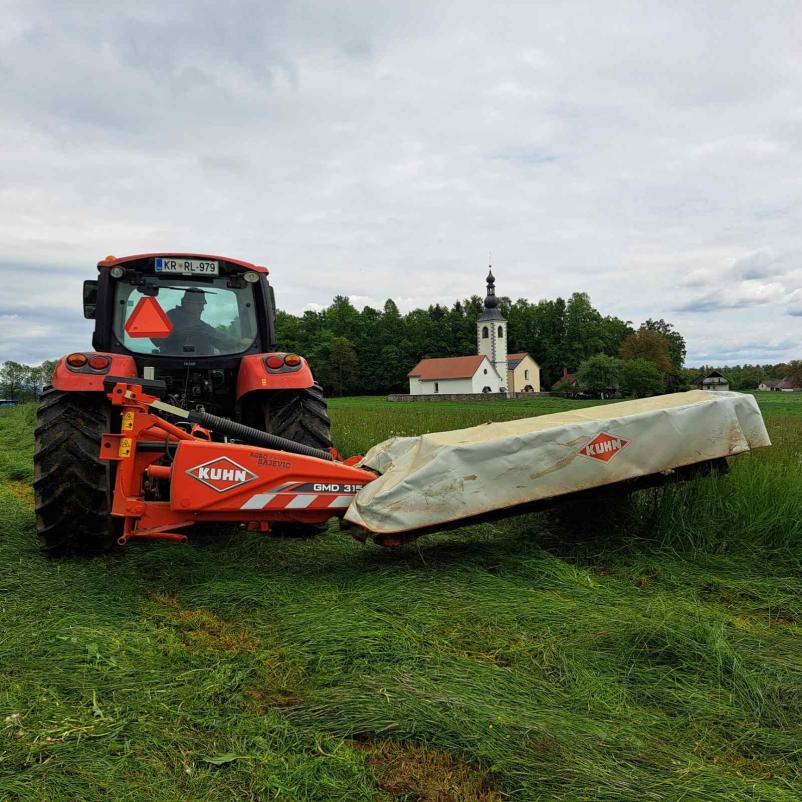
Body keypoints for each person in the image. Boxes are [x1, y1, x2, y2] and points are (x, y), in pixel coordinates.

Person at [161, 289, 243, 354]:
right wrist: (239, 342)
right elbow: (214, 335)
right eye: (200, 305)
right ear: (188, 303)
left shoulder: (172, 314)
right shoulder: (180, 317)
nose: (202, 309)